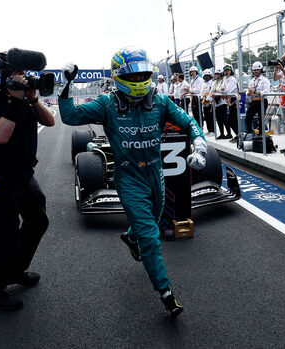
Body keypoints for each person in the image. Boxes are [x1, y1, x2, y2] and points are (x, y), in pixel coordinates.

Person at [58, 46, 207, 319]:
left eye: (143, 76)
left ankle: (129, 234)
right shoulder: (107, 103)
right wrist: (66, 85)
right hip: (128, 177)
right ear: (119, 76)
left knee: (153, 218)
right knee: (151, 236)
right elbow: (70, 116)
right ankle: (166, 294)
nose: (139, 81)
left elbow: (188, 122)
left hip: (155, 173)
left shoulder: (160, 101)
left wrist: (200, 146)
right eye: (133, 77)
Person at [0, 66, 56, 311]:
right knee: (6, 235)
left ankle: (16, 271)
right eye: (18, 75)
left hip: (23, 174)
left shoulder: (25, 100)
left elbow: (50, 121)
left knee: (38, 221)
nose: (23, 78)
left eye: (25, 74)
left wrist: (32, 98)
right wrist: (14, 100)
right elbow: (0, 136)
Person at [245, 61, 271, 133]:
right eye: (254, 70)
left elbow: (266, 92)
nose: (256, 71)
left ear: (261, 70)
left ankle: (261, 135)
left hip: (262, 101)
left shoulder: (265, 81)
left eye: (257, 70)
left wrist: (254, 93)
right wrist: (249, 93)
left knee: (261, 119)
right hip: (254, 101)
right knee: (248, 118)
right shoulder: (251, 81)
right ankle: (250, 133)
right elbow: (247, 92)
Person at [209, 67, 229, 139]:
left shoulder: (223, 81)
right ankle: (222, 133)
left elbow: (222, 90)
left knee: (224, 119)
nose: (216, 75)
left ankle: (229, 133)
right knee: (219, 120)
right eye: (215, 74)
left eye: (218, 74)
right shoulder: (214, 82)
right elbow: (211, 91)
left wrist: (217, 92)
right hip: (216, 103)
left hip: (223, 102)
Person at [221, 64, 239, 142]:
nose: (226, 72)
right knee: (231, 119)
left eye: (228, 70)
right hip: (229, 100)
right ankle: (238, 134)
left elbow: (226, 90)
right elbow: (222, 89)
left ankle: (239, 135)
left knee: (232, 119)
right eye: (225, 70)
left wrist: (222, 90)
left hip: (234, 100)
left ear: (231, 71)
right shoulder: (225, 79)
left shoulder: (232, 79)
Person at [200, 69, 215, 135]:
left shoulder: (212, 83)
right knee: (206, 116)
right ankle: (209, 130)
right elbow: (201, 91)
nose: (206, 77)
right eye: (205, 76)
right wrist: (201, 97)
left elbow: (211, 92)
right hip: (204, 102)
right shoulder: (204, 84)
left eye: (208, 76)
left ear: (210, 76)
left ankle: (213, 130)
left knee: (211, 116)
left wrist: (208, 99)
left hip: (210, 102)